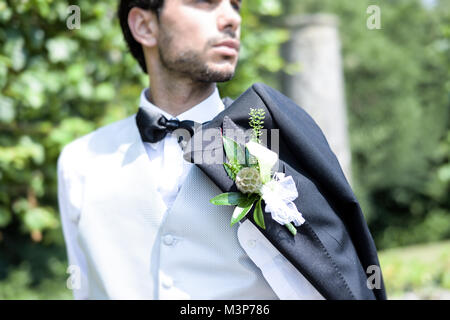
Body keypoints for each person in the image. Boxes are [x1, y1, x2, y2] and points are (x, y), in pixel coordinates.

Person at [57, 0, 386, 300]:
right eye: (205, 3)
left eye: (235, 5)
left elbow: (331, 276)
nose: (231, 18)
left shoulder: (268, 138)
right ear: (145, 26)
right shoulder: (79, 162)